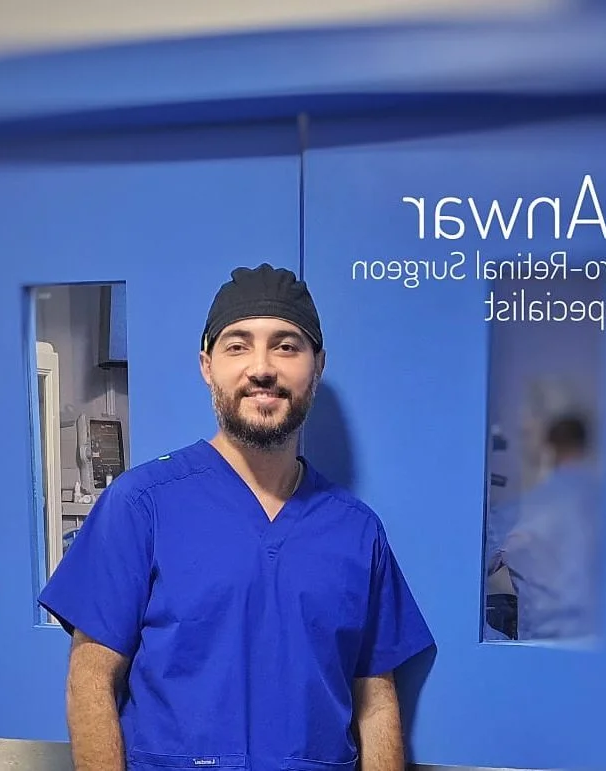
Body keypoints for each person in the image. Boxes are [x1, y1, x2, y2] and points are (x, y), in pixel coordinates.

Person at [38, 264, 435, 771]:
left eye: (286, 346)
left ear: (317, 366)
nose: (262, 368)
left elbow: (375, 701)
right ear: (207, 366)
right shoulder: (141, 504)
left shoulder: (357, 531)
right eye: (238, 346)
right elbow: (91, 678)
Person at [486, 412, 603, 642]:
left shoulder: (522, 511)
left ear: (549, 449)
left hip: (543, 647)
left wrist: (495, 640)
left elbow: (471, 571)